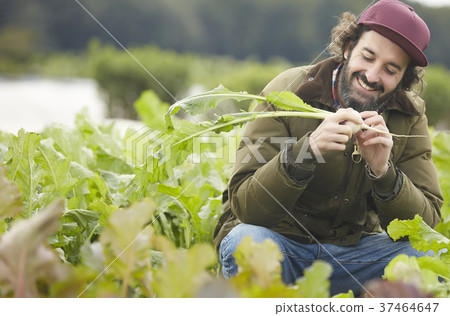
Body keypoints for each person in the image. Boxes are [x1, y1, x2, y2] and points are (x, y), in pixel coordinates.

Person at [213, 0, 443, 296]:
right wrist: (304, 153)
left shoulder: (409, 117)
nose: (372, 76)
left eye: (390, 69)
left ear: (403, 79)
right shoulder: (287, 91)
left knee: (430, 259)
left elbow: (426, 227)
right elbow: (246, 206)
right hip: (281, 246)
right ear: (348, 47)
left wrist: (384, 173)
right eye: (367, 57)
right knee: (247, 243)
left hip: (353, 257)